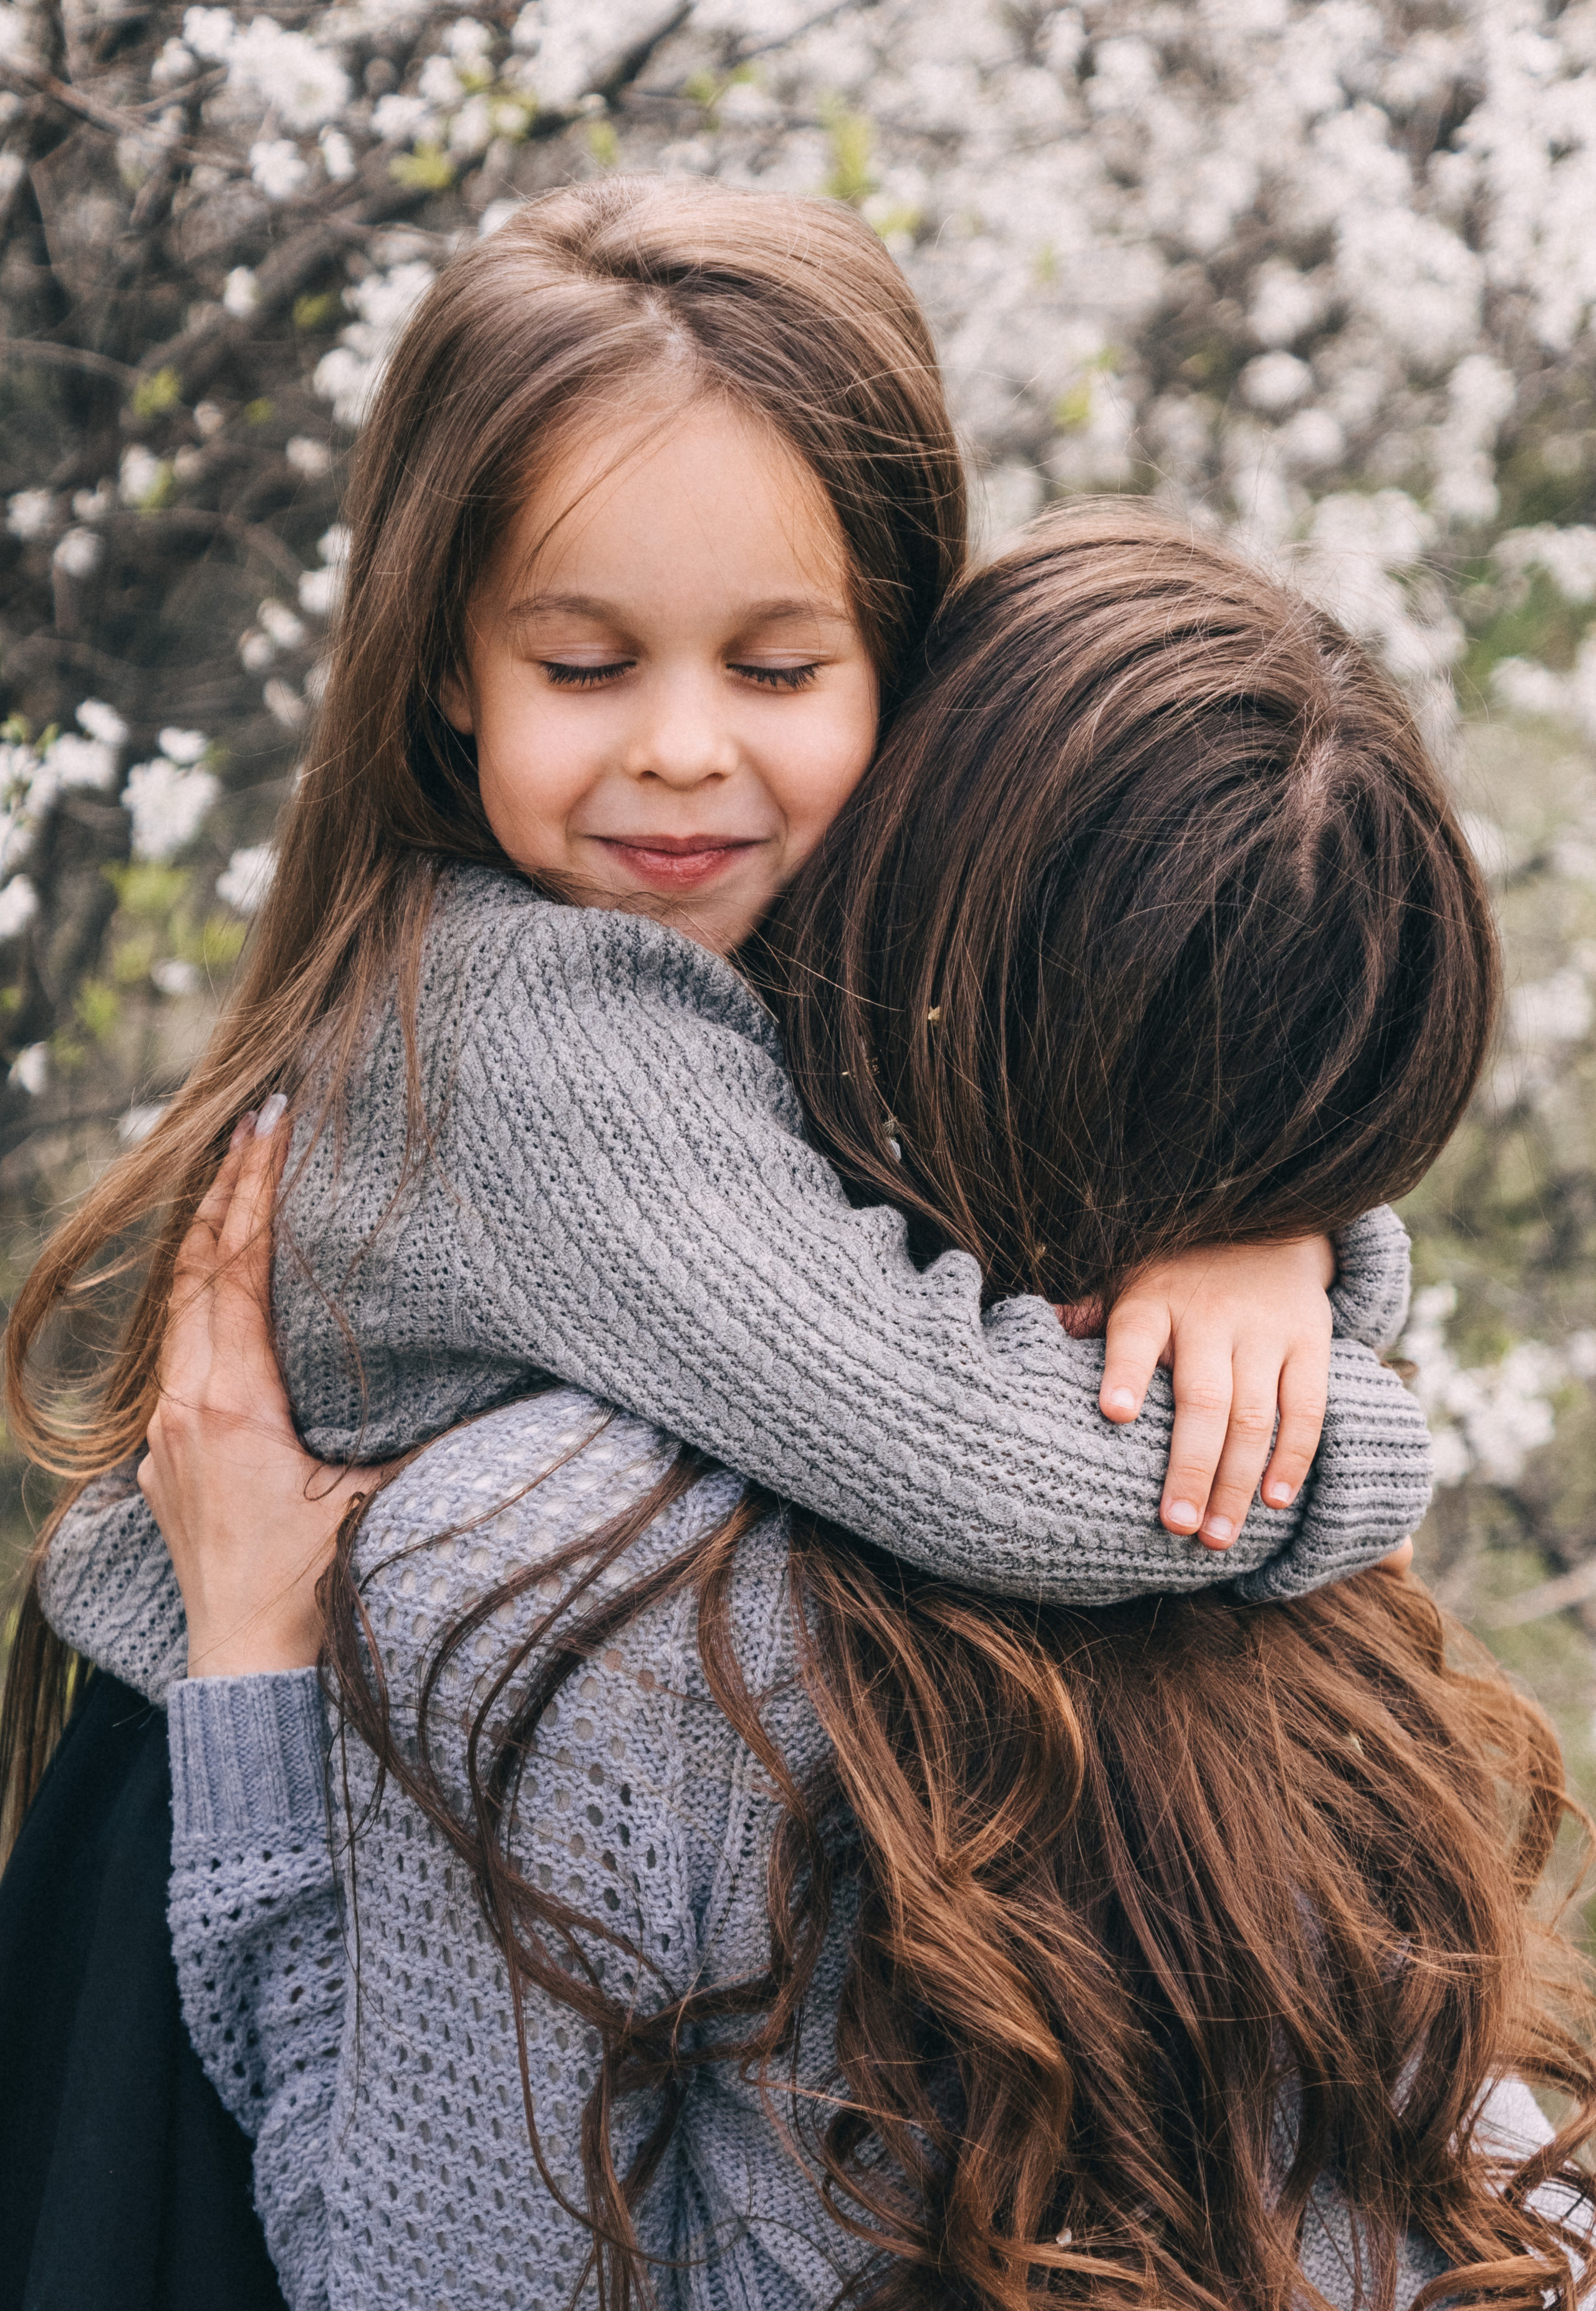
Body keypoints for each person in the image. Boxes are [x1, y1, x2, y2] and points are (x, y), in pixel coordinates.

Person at [0, 179, 1423, 2295]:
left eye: (781, 664)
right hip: (285, 1838)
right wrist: (1354, 1424)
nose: (682, 747)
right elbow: (981, 1459)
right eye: (583, 663)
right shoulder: (543, 1023)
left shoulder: (755, 966)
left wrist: (1277, 1239)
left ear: (913, 661)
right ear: (448, 674)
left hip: (472, 1824)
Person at [140, 507, 1580, 2311]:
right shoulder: (1304, 1598)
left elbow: (422, 2276)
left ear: (896, 906)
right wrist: (1318, 1292)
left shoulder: (541, 1582)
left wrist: (255, 1683)